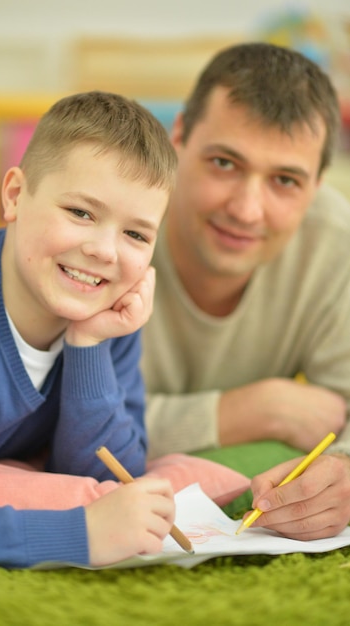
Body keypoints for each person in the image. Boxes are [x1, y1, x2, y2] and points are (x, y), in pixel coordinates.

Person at [0, 90, 178, 568]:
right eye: (81, 213)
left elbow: (114, 478)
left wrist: (88, 346)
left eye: (135, 234)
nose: (105, 252)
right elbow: (98, 519)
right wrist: (77, 533)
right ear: (15, 196)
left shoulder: (110, 316)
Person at [141, 42, 350, 541]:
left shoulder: (336, 242)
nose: (247, 210)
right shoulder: (113, 223)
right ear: (180, 137)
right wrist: (233, 413)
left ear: (318, 184)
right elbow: (40, 419)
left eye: (284, 180)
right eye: (224, 163)